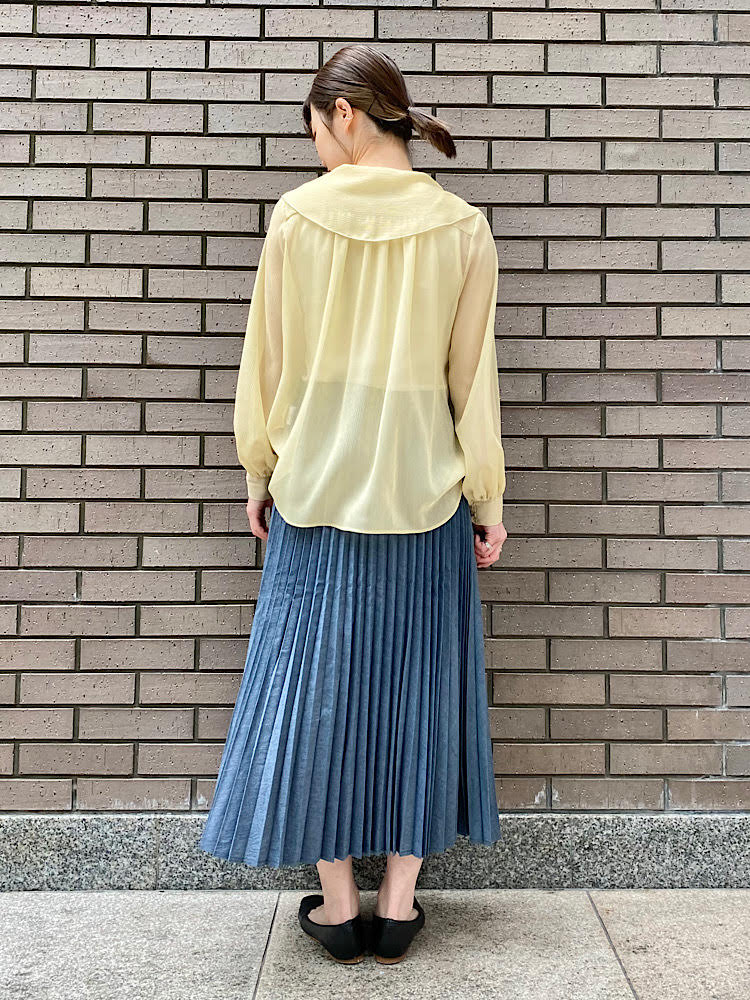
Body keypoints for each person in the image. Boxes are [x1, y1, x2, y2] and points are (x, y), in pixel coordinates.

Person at [197, 43, 508, 965]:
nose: (316, 149)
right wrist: (487, 498)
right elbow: (472, 385)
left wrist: (259, 473)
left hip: (316, 494)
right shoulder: (461, 226)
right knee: (422, 691)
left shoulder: (297, 217)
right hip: (424, 496)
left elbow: (267, 365)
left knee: (311, 691)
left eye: (314, 129)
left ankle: (338, 906)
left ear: (343, 114)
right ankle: (398, 906)